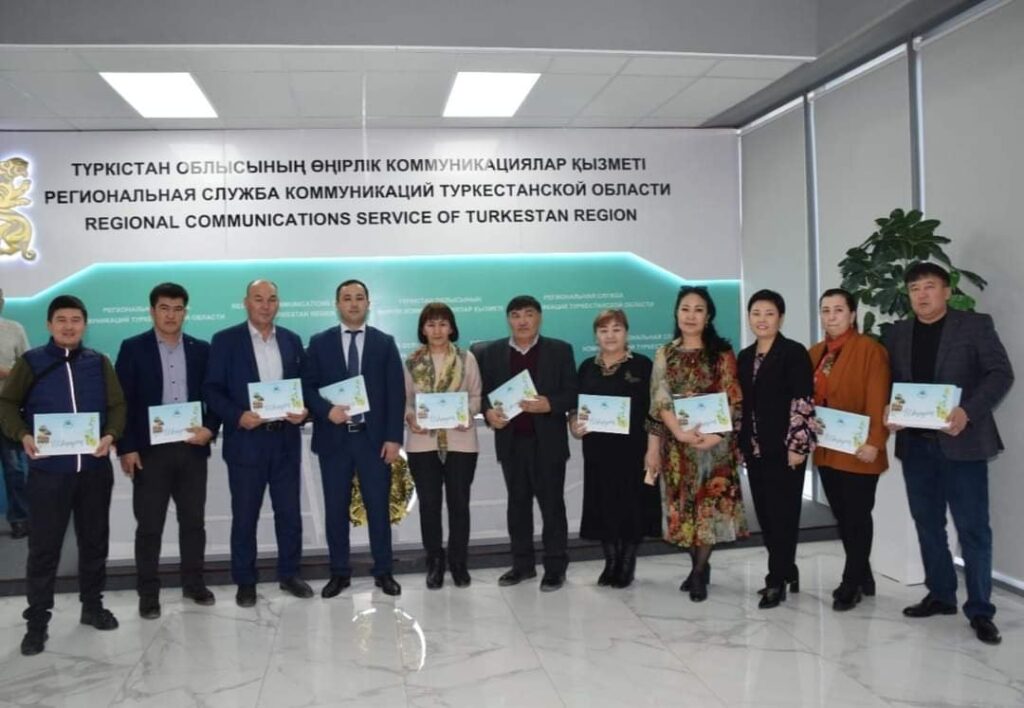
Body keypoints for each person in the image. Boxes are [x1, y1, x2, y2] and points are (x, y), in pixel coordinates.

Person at [884, 262, 1013, 645]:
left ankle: (981, 610)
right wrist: (889, 409)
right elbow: (891, 383)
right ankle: (941, 594)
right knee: (927, 524)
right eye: (914, 289)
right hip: (916, 446)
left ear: (947, 291)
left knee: (973, 529)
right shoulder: (898, 333)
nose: (921, 295)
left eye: (929, 287)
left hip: (963, 444)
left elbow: (1001, 374)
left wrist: (968, 411)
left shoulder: (974, 326)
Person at [0, 295, 126, 656]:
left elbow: (117, 405)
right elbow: (7, 404)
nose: (69, 326)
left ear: (85, 324)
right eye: (61, 320)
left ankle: (92, 606)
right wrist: (22, 434)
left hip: (93, 471)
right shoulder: (31, 362)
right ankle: (37, 622)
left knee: (94, 542)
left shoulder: (99, 362)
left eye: (75, 320)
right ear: (49, 325)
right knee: (44, 549)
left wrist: (110, 435)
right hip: (48, 474)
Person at [203, 280, 313, 607]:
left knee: (289, 514)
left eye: (272, 299)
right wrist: (237, 415)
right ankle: (245, 581)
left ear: (278, 304)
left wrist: (305, 411)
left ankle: (289, 574)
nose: (266, 305)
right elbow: (211, 389)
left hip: (285, 440)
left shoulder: (291, 340)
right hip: (246, 441)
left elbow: (305, 386)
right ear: (246, 303)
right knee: (245, 516)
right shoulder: (225, 340)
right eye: (259, 299)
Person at [115, 283, 221, 619]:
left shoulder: (201, 349)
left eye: (177, 309)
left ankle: (194, 584)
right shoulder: (133, 348)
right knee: (149, 526)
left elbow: (216, 395)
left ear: (185, 312)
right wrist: (126, 447)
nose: (171, 315)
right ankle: (148, 594)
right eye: (164, 308)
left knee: (193, 523)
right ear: (152, 311)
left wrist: (210, 428)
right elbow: (122, 402)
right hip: (150, 453)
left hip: (191, 449)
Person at [303, 279, 405, 597]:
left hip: (373, 441)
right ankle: (339, 572)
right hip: (334, 440)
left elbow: (396, 393)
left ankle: (384, 571)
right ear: (337, 304)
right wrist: (326, 410)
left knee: (378, 508)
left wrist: (394, 438)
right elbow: (306, 387)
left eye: (359, 298)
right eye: (346, 298)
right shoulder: (319, 343)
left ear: (368, 304)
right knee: (335, 510)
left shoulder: (384, 343)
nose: (353, 303)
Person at [645, 287, 747, 601]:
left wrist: (717, 436)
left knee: (707, 511)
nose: (691, 315)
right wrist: (673, 436)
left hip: (715, 447)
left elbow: (734, 397)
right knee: (684, 511)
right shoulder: (664, 353)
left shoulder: (722, 353)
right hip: (678, 449)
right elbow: (659, 400)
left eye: (698, 309)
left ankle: (699, 572)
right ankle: (698, 566)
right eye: (685, 308)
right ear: (676, 313)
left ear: (709, 316)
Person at [474, 295, 578, 591]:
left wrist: (550, 404)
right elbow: (481, 394)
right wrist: (487, 412)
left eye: (529, 314)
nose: (522, 321)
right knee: (517, 506)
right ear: (508, 319)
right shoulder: (491, 353)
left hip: (548, 443)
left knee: (552, 507)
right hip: (512, 442)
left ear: (539, 317)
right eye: (516, 315)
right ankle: (522, 565)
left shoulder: (560, 350)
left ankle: (555, 568)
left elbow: (572, 393)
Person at [808, 288, 890, 612]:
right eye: (825, 310)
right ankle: (864, 574)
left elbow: (878, 398)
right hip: (827, 449)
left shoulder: (871, 350)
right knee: (842, 515)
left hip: (859, 450)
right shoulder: (815, 353)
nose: (831, 316)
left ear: (852, 314)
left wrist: (875, 442)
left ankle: (850, 582)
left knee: (857, 515)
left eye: (838, 310)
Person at [737, 289, 815, 609]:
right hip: (755, 448)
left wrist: (798, 445)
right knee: (766, 516)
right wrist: (740, 444)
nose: (762, 319)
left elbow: (802, 400)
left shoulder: (793, 352)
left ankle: (775, 580)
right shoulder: (744, 357)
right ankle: (787, 570)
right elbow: (741, 405)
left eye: (769, 313)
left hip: (785, 448)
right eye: (756, 313)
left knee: (784, 515)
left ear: (780, 318)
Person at [570, 309, 656, 589]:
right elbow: (575, 407)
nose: (610, 335)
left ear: (626, 333)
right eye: (604, 330)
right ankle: (610, 561)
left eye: (616, 329)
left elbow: (655, 410)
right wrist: (574, 424)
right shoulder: (586, 367)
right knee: (602, 504)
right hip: (598, 451)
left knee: (632, 506)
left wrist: (653, 449)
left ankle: (627, 563)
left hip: (634, 450)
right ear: (596, 335)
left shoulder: (643, 365)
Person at [403, 302, 481, 589]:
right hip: (422, 442)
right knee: (429, 505)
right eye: (431, 324)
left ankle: (459, 563)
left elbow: (476, 396)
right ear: (423, 329)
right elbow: (405, 401)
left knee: (459, 504)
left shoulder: (466, 358)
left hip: (461, 441)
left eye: (443, 324)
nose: (437, 330)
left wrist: (467, 413)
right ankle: (434, 562)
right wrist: (410, 417)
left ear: (451, 328)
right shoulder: (412, 361)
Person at [0, 287, 31, 539]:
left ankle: (20, 518)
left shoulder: (14, 329)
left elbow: (27, 369)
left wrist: (5, 372)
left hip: (7, 410)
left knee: (15, 469)